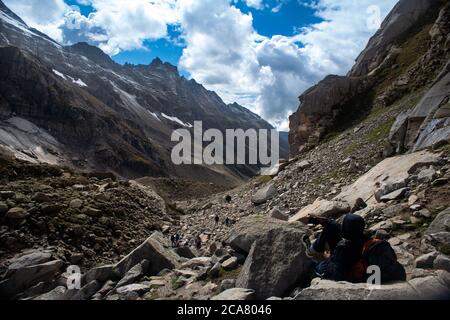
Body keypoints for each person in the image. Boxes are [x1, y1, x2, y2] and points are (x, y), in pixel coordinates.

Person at [307, 214, 406, 284]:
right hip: (369, 265)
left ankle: (313, 251)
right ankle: (315, 249)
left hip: (353, 271)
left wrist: (328, 259)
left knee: (313, 264)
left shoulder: (343, 248)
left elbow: (338, 274)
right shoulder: (369, 240)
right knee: (331, 226)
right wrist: (328, 222)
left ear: (345, 230)